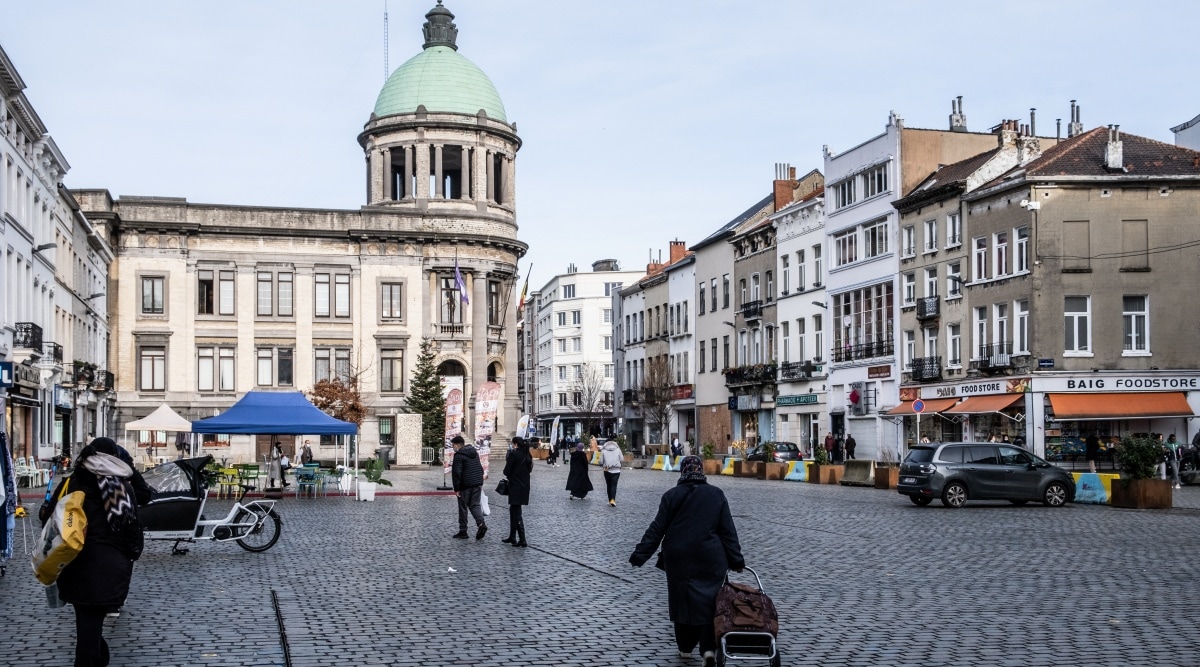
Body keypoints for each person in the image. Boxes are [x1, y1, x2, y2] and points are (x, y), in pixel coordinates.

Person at [629, 455, 744, 667]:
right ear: (701, 471)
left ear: (682, 471)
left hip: (679, 559)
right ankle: (708, 651)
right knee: (711, 603)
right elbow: (728, 531)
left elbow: (657, 529)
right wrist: (736, 560)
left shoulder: (671, 495)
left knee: (682, 602)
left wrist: (640, 555)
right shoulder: (716, 494)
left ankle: (685, 648)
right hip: (711, 558)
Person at [45, 437, 150, 666]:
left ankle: (96, 655)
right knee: (92, 618)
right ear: (114, 457)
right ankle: (90, 659)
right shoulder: (121, 486)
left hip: (73, 558)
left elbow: (47, 516)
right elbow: (133, 526)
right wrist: (132, 553)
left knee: (85, 615)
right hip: (109, 563)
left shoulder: (72, 481)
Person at [449, 435, 487, 540]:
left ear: (457, 445)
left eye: (453, 445)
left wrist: (456, 489)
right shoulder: (474, 453)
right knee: (475, 505)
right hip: (477, 483)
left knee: (463, 507)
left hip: (465, 485)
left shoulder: (458, 456)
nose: (453, 447)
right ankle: (481, 524)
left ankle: (463, 531)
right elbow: (480, 468)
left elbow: (457, 473)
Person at [501, 436, 533, 547]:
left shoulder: (514, 455)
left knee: (517, 512)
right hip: (524, 486)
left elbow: (506, 471)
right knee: (513, 510)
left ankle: (522, 539)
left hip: (515, 486)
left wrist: (508, 457)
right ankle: (512, 536)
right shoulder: (527, 455)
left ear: (515, 444)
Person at [600, 439, 623, 507]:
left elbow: (601, 461)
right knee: (614, 485)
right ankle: (613, 500)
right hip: (616, 470)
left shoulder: (603, 450)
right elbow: (622, 459)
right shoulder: (618, 449)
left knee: (608, 485)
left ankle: (610, 499)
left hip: (607, 470)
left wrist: (603, 464)